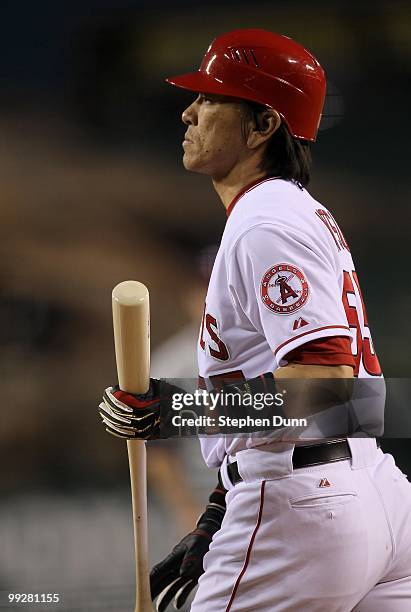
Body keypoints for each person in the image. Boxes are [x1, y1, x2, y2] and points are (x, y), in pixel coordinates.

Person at [99, 29, 411, 611]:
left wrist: (177, 407)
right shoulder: (297, 213)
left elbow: (325, 385)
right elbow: (357, 399)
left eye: (212, 98)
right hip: (371, 491)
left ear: (264, 125)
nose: (189, 112)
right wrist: (225, 493)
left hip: (305, 504)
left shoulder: (266, 222)